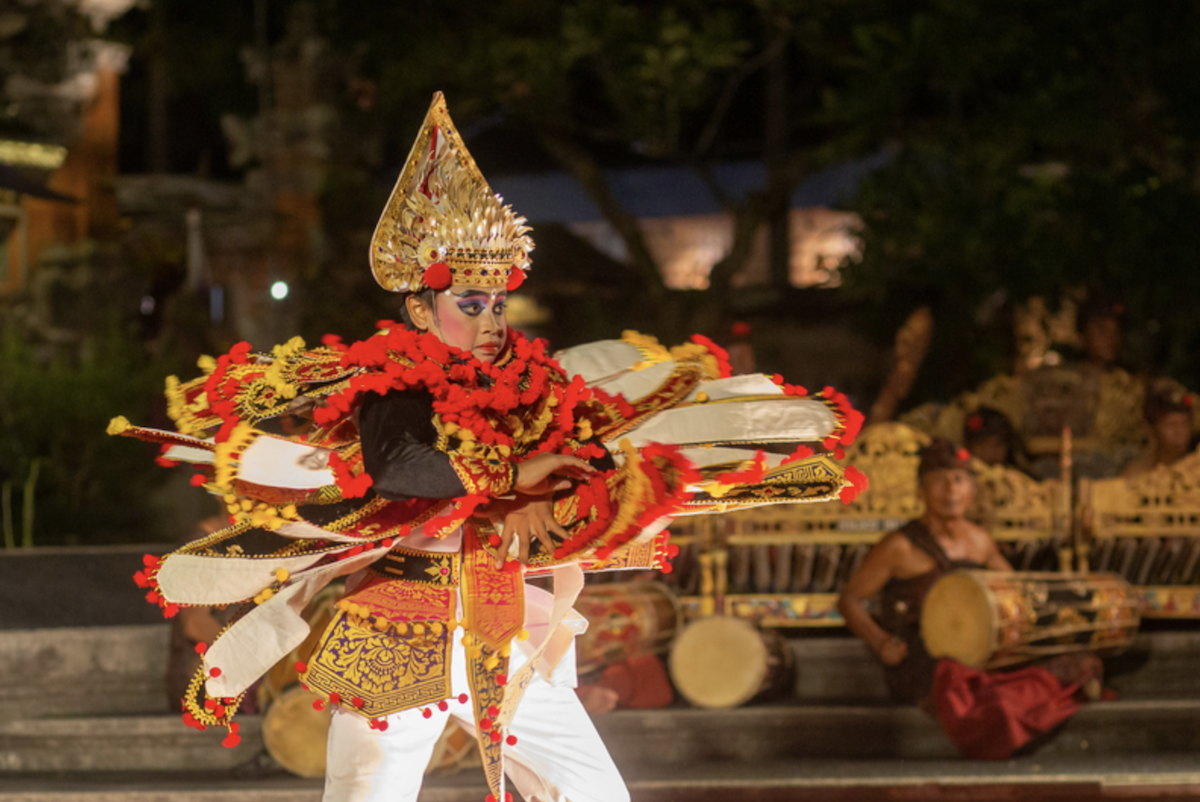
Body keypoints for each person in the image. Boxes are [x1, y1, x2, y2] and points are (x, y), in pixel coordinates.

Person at [113, 93, 865, 802]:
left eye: (497, 302)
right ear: (419, 305)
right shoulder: (389, 384)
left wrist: (612, 493)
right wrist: (512, 470)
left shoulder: (532, 391)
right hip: (401, 625)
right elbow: (399, 466)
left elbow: (579, 477)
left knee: (594, 792)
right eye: (469, 303)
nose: (489, 318)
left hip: (504, 618)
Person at [838, 439, 1097, 759]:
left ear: (971, 490)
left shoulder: (980, 541)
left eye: (959, 480)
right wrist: (880, 643)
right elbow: (850, 600)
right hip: (925, 659)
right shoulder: (899, 547)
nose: (951, 490)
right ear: (921, 490)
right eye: (940, 481)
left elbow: (1018, 593)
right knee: (976, 688)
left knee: (1042, 671)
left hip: (978, 648)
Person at [1122, 382, 1195, 478]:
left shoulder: (1195, 475)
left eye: (1184, 423)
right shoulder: (1137, 476)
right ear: (1151, 428)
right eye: (1170, 424)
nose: (1179, 431)